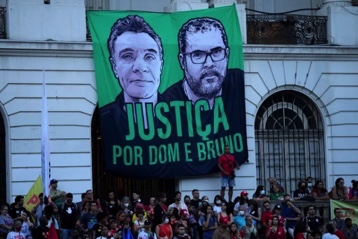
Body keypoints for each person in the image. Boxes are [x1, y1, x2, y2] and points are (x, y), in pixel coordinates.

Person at [163, 16, 247, 175]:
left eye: (216, 52)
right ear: (182, 61)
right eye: (198, 54)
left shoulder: (238, 83)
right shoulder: (166, 104)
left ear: (227, 54)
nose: (209, 63)